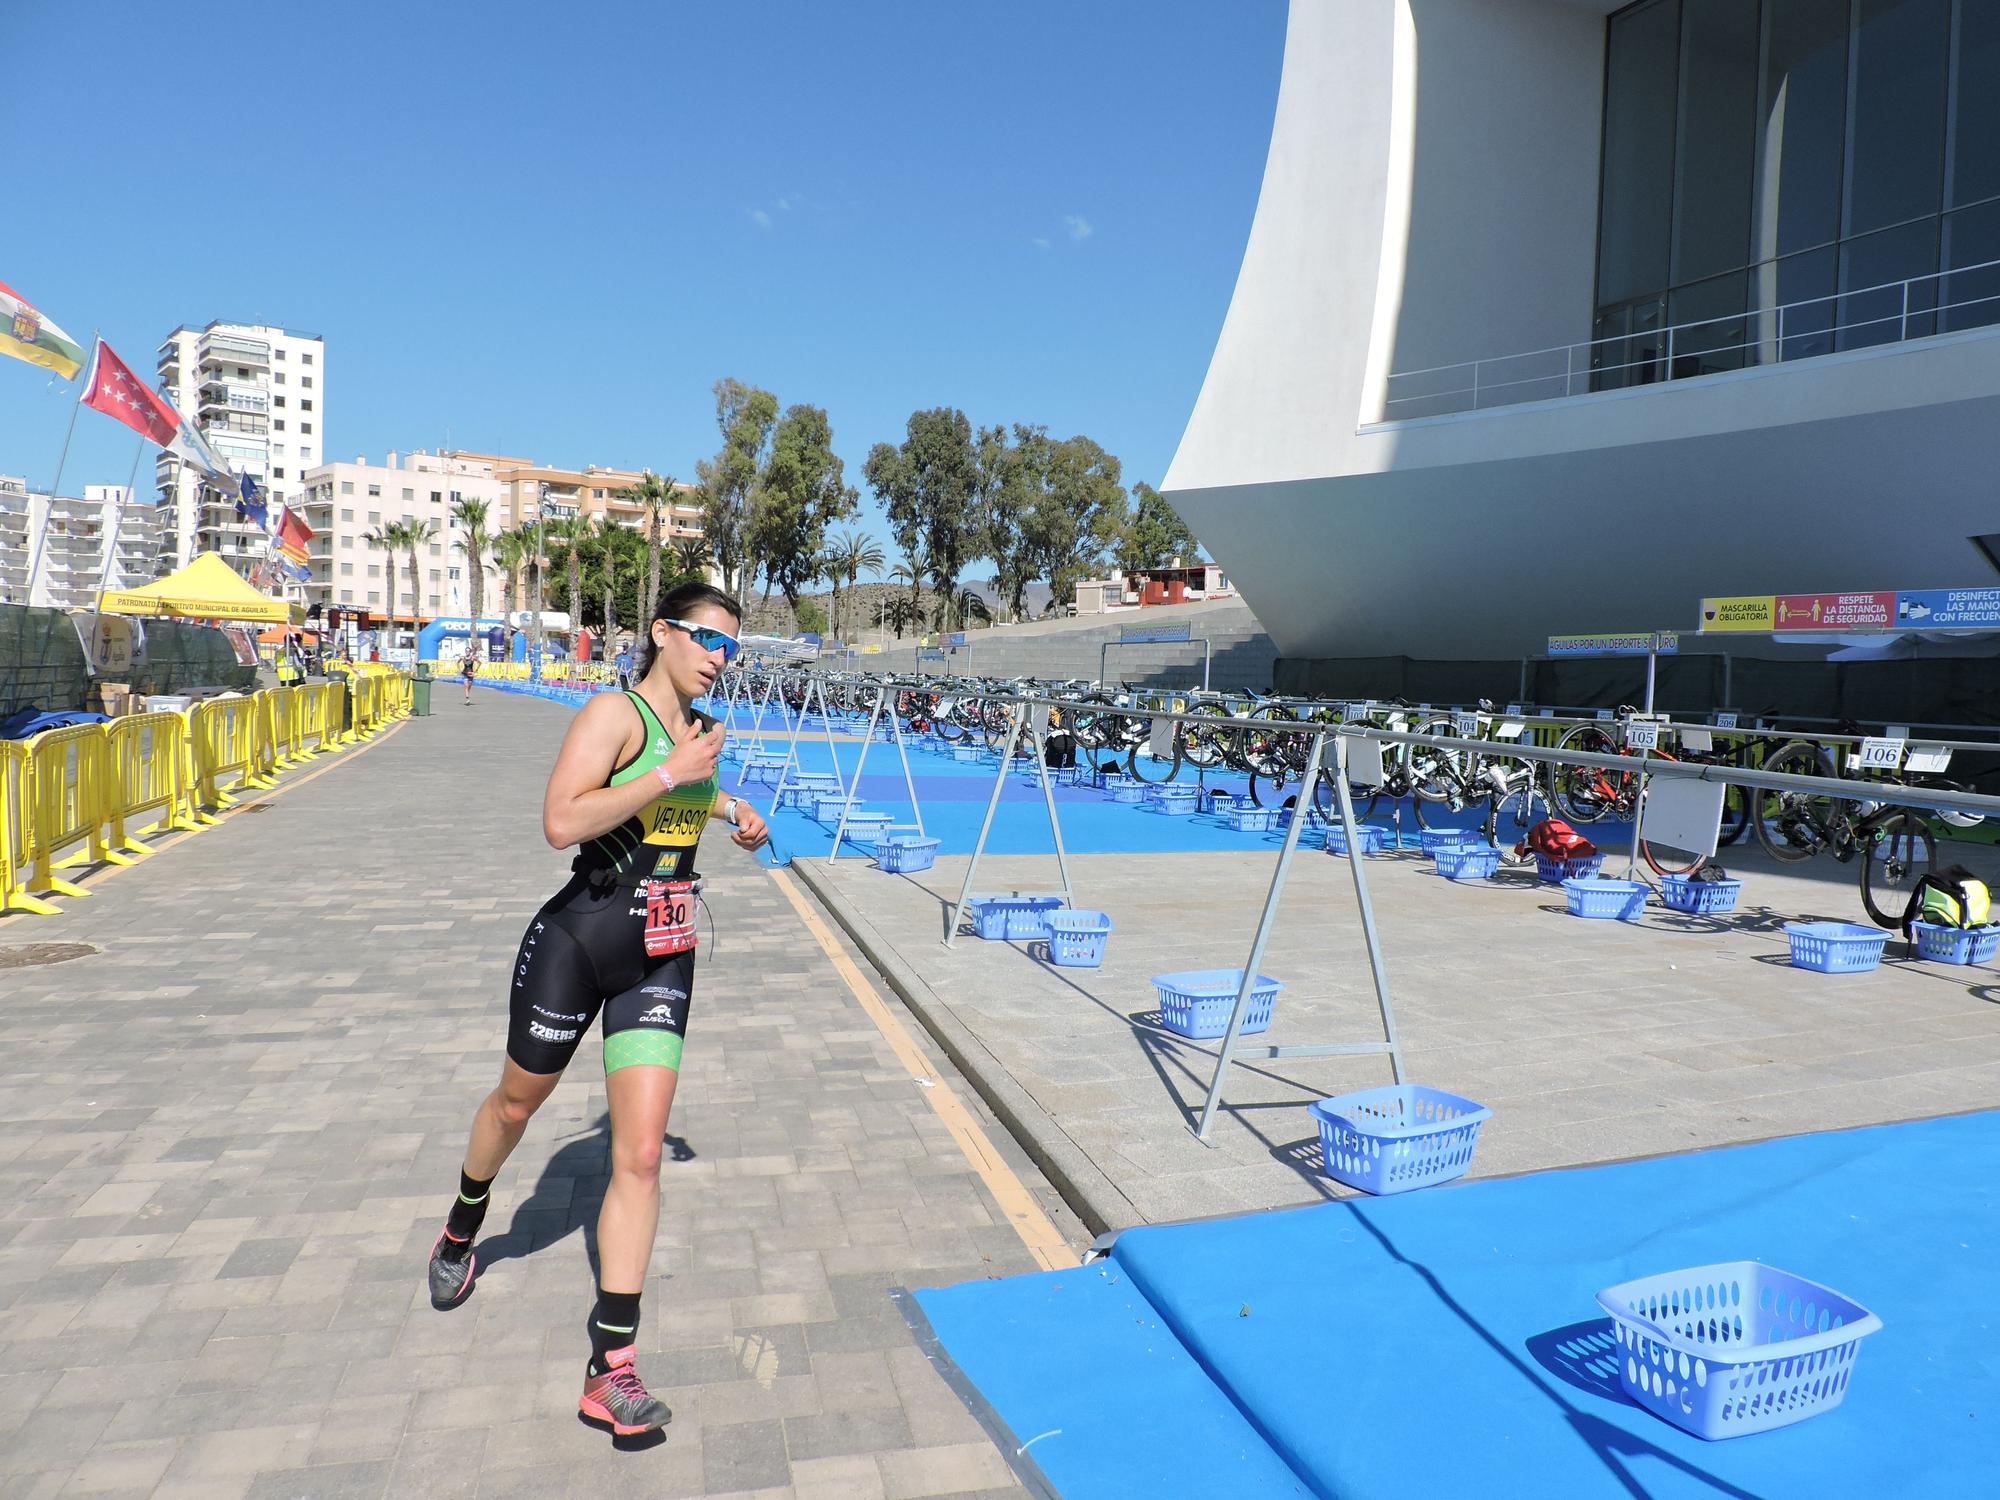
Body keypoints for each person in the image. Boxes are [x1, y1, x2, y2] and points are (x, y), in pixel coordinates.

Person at [424, 581, 768, 1438]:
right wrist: (671, 771)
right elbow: (559, 820)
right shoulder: (615, 716)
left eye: (733, 647)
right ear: (662, 633)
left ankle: (610, 1366)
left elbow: (678, 803)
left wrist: (727, 805)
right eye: (709, 640)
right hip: (581, 940)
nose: (721, 659)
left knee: (641, 1155)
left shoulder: (698, 734)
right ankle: (465, 1223)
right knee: (515, 1103)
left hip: (663, 951)